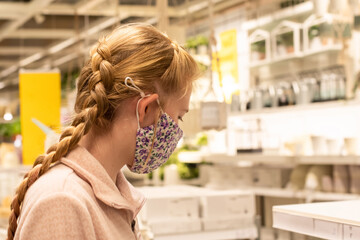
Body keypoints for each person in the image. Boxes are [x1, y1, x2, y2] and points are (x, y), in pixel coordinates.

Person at [7, 23, 199, 240]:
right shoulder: (63, 202)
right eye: (178, 117)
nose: (176, 132)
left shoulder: (106, 191)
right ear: (145, 109)